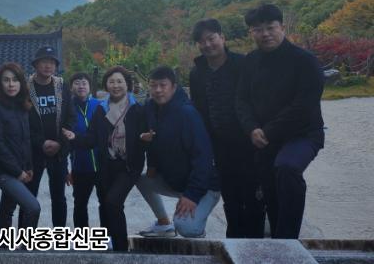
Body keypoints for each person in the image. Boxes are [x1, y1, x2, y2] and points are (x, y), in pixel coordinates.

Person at [236, 4, 325, 239]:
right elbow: (241, 100)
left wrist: (267, 132)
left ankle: (288, 240)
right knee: (270, 188)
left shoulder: (304, 61)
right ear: (251, 33)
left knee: (287, 168)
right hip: (263, 137)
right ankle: (277, 240)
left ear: (282, 27)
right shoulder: (250, 61)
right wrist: (251, 128)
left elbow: (304, 106)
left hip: (302, 134)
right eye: (258, 29)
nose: (265, 34)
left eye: (270, 27)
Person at [190, 19, 265, 238]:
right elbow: (198, 110)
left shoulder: (243, 64)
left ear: (222, 38)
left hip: (248, 142)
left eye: (211, 38)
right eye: (202, 41)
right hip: (219, 146)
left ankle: (256, 243)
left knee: (252, 195)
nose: (207, 44)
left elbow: (257, 101)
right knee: (230, 196)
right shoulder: (197, 73)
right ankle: (234, 240)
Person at [63, 66, 146, 251]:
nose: (115, 85)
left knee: (111, 202)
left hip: (128, 166)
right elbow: (92, 138)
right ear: (106, 85)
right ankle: (115, 246)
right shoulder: (102, 109)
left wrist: (148, 146)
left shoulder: (137, 109)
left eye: (120, 81)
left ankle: (119, 248)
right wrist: (74, 138)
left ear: (127, 84)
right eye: (111, 82)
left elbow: (147, 136)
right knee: (104, 205)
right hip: (106, 165)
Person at [136, 66, 220, 239]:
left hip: (204, 188)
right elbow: (153, 136)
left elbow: (203, 157)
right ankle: (163, 224)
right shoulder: (151, 107)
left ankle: (197, 231)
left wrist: (192, 195)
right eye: (153, 85)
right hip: (176, 182)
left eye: (163, 85)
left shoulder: (186, 113)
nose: (158, 90)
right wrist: (151, 164)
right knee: (142, 180)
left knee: (186, 228)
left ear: (174, 87)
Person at [24, 45, 75, 227]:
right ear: (35, 65)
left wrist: (60, 143)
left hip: (58, 152)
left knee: (59, 197)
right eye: (43, 62)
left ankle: (60, 235)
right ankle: (26, 236)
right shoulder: (26, 88)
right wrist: (41, 143)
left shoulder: (62, 86)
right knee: (29, 197)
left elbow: (70, 117)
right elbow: (22, 122)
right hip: (33, 152)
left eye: (52, 62)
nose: (48, 66)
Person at [0, 63, 41, 232]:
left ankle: (4, 243)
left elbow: (26, 140)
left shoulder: (22, 105)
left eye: (15, 80)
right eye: (6, 80)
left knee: (8, 207)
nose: (11, 84)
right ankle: (27, 245)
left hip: (22, 168)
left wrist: (29, 166)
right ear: (0, 83)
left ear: (21, 82)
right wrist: (17, 172)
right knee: (33, 207)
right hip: (5, 170)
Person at [66, 71, 103, 228]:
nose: (81, 86)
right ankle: (82, 237)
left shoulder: (100, 105)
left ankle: (107, 235)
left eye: (84, 83)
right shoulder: (67, 108)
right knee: (80, 204)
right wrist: (66, 169)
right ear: (71, 87)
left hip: (102, 165)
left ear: (89, 86)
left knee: (106, 203)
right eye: (77, 83)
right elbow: (65, 140)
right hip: (80, 166)